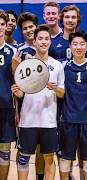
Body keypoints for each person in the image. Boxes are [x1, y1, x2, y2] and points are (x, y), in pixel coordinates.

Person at [11, 24, 65, 180]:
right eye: (40, 39)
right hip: (27, 120)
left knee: (49, 158)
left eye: (46, 39)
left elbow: (62, 94)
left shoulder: (57, 65)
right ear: (34, 42)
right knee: (23, 159)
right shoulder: (25, 65)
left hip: (48, 121)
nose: (43, 42)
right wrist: (17, 91)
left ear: (50, 42)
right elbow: (21, 93)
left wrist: (55, 89)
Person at [58, 30, 87, 180]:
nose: (79, 47)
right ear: (70, 46)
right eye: (75, 44)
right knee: (65, 158)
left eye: (82, 44)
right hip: (68, 120)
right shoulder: (63, 66)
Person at [0, 11, 17, 180]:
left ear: (6, 26)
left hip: (6, 107)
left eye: (2, 24)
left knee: (4, 151)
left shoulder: (14, 52)